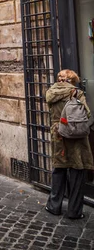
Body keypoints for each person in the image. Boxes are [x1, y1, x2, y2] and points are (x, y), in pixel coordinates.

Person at [45, 69, 94, 219]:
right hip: (75, 134)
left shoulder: (51, 92)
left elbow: (52, 110)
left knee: (59, 169)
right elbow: (87, 113)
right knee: (77, 170)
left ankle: (54, 206)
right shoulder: (76, 93)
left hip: (58, 133)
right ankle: (74, 211)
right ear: (72, 79)